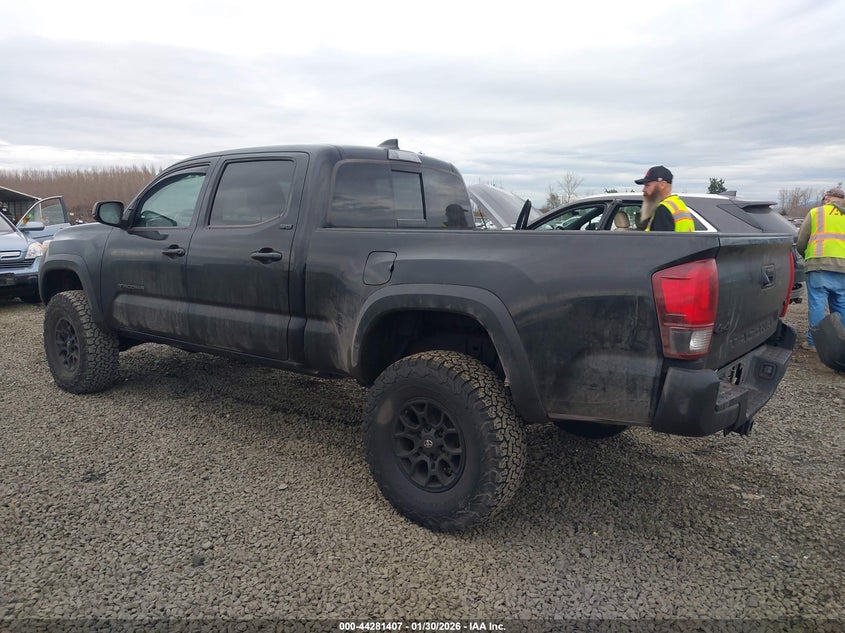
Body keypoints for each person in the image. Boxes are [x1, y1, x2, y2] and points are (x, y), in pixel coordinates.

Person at [795, 186, 845, 350]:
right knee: (841, 304)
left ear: (827, 199)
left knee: (817, 304)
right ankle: (840, 345)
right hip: (843, 268)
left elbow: (801, 240)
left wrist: (805, 254)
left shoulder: (817, 213)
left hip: (818, 265)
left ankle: (814, 343)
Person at [634, 165, 694, 232]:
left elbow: (660, 241)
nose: (643, 190)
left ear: (662, 185)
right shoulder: (678, 204)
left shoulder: (663, 209)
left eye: (647, 185)